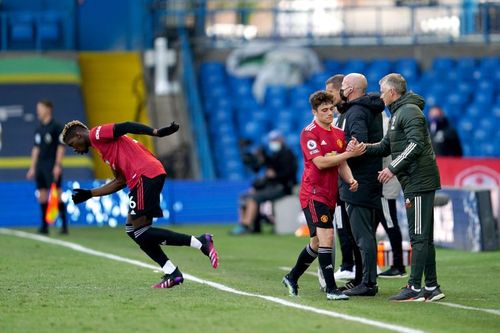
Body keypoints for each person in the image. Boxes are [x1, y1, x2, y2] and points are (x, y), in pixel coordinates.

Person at [61, 120, 219, 288]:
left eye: (72, 144)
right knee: (133, 230)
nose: (74, 149)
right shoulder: (104, 149)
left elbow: (126, 126)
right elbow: (120, 181)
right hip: (142, 177)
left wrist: (156, 132)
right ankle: (172, 272)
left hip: (144, 175)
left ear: (79, 135)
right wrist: (90, 194)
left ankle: (200, 242)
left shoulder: (96, 134)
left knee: (140, 232)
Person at [355, 73, 445, 302]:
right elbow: (387, 146)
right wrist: (362, 147)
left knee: (418, 236)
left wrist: (392, 168)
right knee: (425, 237)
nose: (380, 94)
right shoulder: (397, 113)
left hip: (419, 181)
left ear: (393, 92)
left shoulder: (409, 112)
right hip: (414, 180)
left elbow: (416, 144)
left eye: (382, 90)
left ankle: (414, 287)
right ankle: (432, 286)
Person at [282, 90, 364, 301]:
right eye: (324, 110)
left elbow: (341, 162)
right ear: (314, 112)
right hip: (313, 193)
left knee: (317, 243)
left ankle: (292, 277)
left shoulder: (338, 133)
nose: (329, 113)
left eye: (331, 109)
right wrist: (349, 154)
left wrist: (350, 179)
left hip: (330, 193)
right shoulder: (309, 133)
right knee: (327, 236)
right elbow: (320, 162)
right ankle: (331, 289)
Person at [335, 73, 385, 296]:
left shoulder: (355, 112)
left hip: (358, 180)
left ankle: (368, 283)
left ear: (353, 89)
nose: (341, 90)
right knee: (363, 233)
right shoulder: (369, 109)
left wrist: (338, 154)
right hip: (367, 178)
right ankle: (360, 279)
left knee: (362, 234)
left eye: (344, 86)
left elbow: (358, 144)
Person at [231, 130, 298, 235]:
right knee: (244, 197)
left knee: (254, 198)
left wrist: (275, 174)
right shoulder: (274, 155)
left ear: (282, 140)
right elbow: (261, 168)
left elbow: (289, 173)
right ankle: (244, 224)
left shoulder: (288, 155)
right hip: (272, 186)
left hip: (283, 187)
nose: (273, 142)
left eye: (275, 140)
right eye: (272, 140)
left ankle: (247, 225)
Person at [26, 100, 68, 235]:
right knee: (42, 196)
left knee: (57, 195)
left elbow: (61, 147)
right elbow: (35, 149)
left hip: (52, 164)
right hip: (41, 166)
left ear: (48, 109)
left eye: (40, 108)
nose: (38, 111)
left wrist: (57, 165)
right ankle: (44, 226)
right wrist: (32, 167)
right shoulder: (39, 129)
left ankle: (64, 226)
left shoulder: (57, 127)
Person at [377, 111, 406, 278]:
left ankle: (398, 265)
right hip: (385, 182)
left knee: (390, 223)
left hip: (386, 184)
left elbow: (383, 152)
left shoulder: (383, 126)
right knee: (380, 223)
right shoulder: (388, 123)